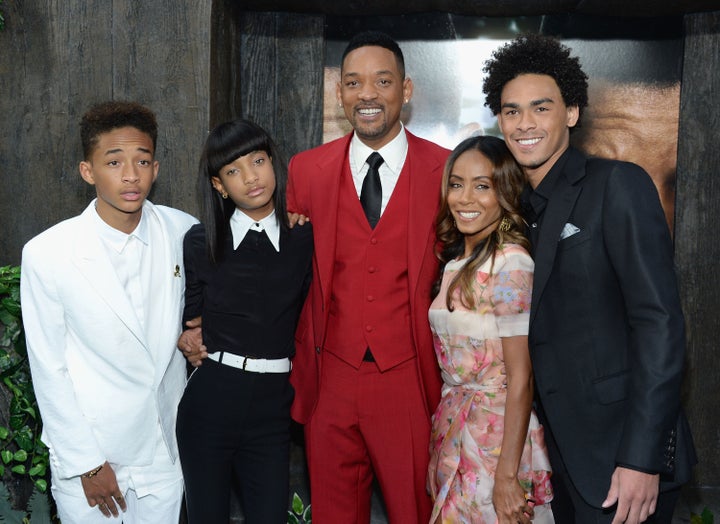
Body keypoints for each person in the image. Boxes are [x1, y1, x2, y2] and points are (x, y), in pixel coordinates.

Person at [482, 33, 696, 524]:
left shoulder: (617, 184)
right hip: (558, 461)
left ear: (572, 113)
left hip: (622, 460)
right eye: (511, 111)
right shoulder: (516, 210)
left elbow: (659, 325)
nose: (524, 123)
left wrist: (642, 458)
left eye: (540, 107)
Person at [286, 31, 449, 523]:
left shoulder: (446, 171)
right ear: (340, 94)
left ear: (406, 89)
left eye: (382, 81)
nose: (368, 94)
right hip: (329, 376)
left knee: (415, 512)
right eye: (354, 83)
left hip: (409, 377)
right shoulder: (306, 171)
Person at [20, 101, 197, 523]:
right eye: (114, 162)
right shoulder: (47, 252)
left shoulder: (183, 231)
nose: (131, 175)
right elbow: (49, 368)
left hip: (163, 450)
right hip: (93, 455)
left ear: (156, 169)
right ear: (88, 171)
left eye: (142, 161)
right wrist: (88, 463)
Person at [176, 118, 313, 523]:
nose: (251, 178)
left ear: (273, 163)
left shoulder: (303, 238)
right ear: (219, 185)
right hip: (210, 403)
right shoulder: (200, 242)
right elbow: (192, 321)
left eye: (258, 161)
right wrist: (189, 337)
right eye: (233, 171)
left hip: (273, 409)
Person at [427, 135, 554, 524]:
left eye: (482, 186)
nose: (465, 198)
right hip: (453, 429)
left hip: (499, 445)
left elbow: (522, 379)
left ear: (505, 191)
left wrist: (507, 475)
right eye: (456, 184)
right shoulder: (452, 264)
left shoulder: (512, 264)